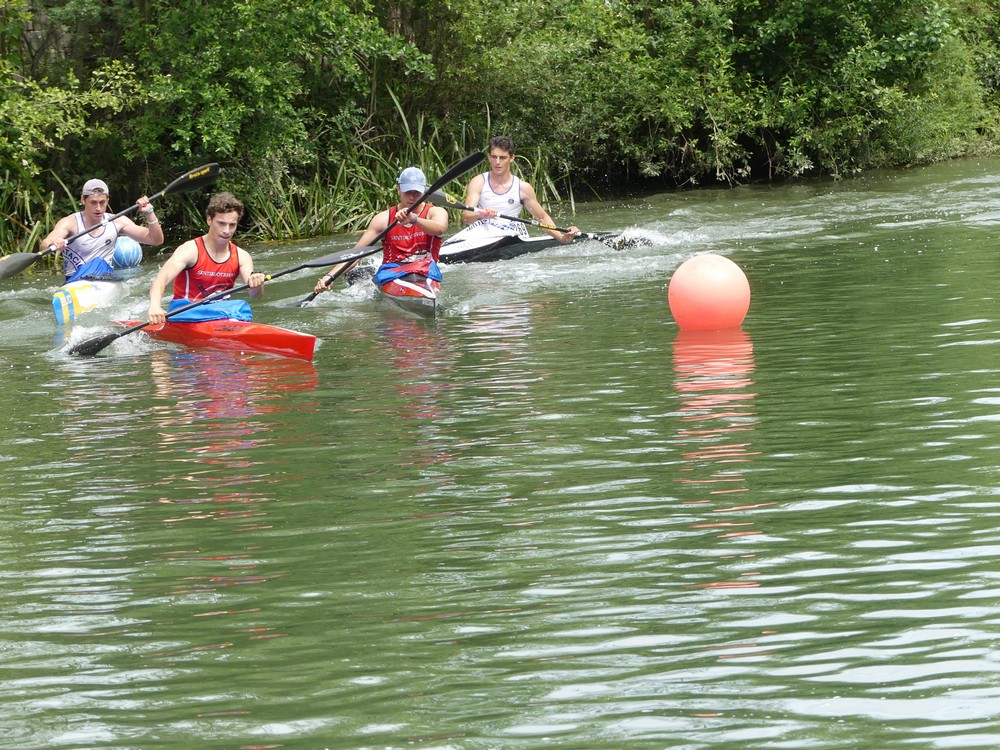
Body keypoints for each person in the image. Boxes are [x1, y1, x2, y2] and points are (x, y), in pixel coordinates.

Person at [313, 166, 448, 295]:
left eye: (416, 192)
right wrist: (330, 276)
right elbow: (357, 254)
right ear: (398, 190)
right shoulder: (383, 219)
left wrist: (414, 219)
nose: (412, 197)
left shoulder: (435, 212)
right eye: (408, 192)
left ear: (424, 192)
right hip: (392, 272)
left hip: (426, 270)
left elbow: (440, 229)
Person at [147, 192, 265, 325]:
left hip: (221, 315)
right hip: (185, 313)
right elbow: (160, 279)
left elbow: (256, 295)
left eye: (232, 225)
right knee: (239, 308)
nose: (227, 231)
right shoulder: (191, 250)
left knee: (242, 306)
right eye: (221, 223)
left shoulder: (242, 256)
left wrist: (257, 284)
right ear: (209, 220)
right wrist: (155, 306)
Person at [40, 178, 164, 282]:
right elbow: (44, 245)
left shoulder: (118, 221)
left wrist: (149, 212)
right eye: (93, 202)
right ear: (83, 200)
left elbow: (156, 240)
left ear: (107, 200)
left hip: (105, 279)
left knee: (99, 263)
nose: (98, 208)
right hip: (76, 281)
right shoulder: (70, 222)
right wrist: (54, 243)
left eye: (102, 202)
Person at [460, 135, 579, 243]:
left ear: (512, 158)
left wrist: (562, 238)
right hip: (482, 236)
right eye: (494, 157)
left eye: (502, 158)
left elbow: (541, 217)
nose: (497, 162)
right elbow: (466, 217)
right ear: (489, 157)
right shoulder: (478, 182)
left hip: (511, 236)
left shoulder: (523, 188)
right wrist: (482, 214)